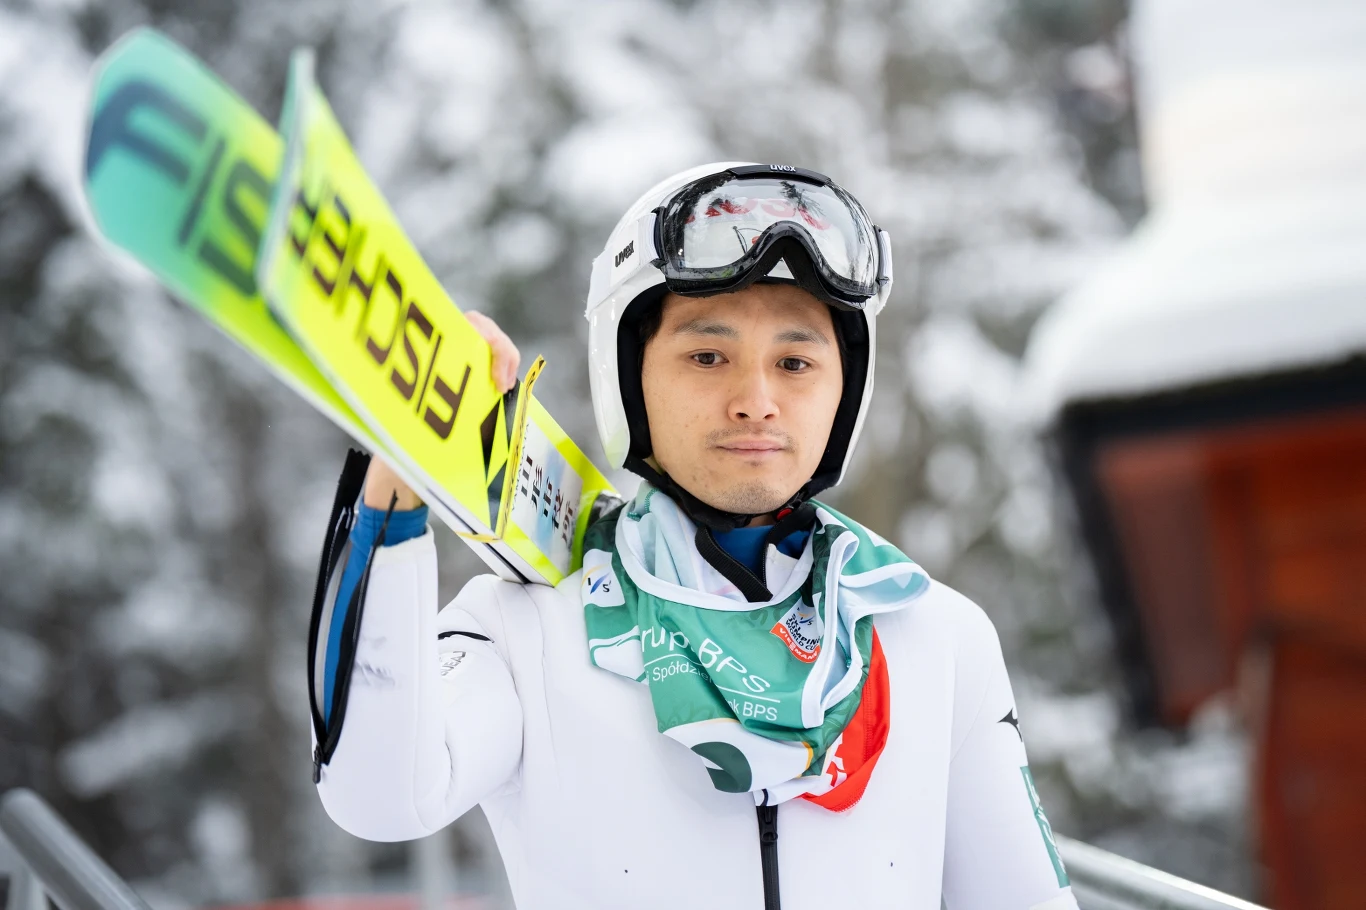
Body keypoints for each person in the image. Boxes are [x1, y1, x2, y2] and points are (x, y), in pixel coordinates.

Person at [307, 163, 1078, 910]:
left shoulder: (933, 635)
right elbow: (381, 796)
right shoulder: (523, 630)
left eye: (796, 361)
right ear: (629, 378)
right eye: (707, 356)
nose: (756, 401)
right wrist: (399, 485)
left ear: (845, 390)